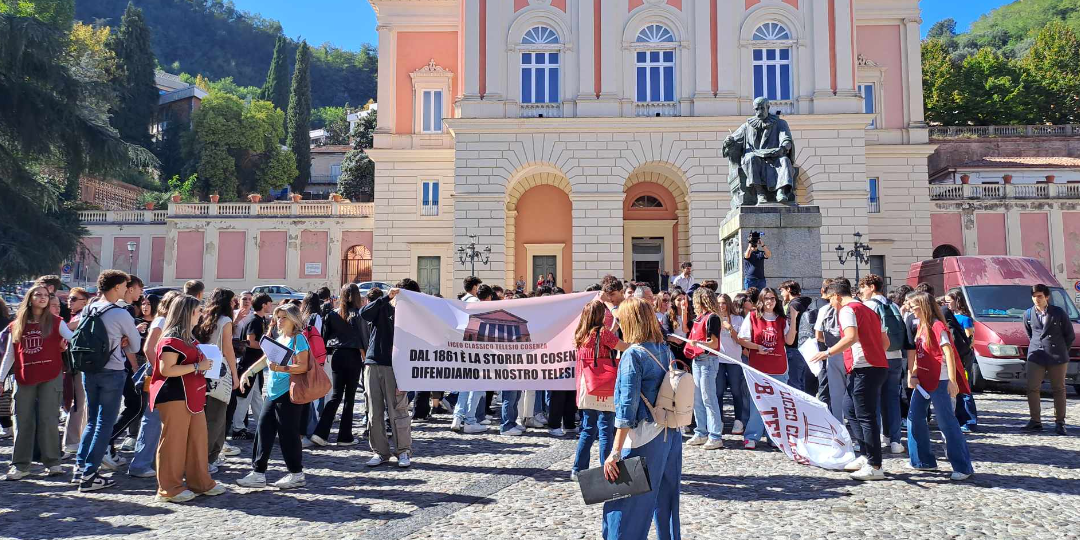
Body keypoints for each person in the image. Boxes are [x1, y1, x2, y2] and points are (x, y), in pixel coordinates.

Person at [602, 297, 682, 540]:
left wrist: (615, 452)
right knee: (666, 501)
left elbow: (627, 407)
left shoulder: (633, 355)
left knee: (627, 508)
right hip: (671, 433)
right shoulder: (664, 349)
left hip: (643, 438)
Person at [810, 278, 890, 481]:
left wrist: (827, 352)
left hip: (864, 367)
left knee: (866, 415)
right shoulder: (869, 310)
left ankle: (875, 465)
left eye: (830, 300)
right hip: (872, 366)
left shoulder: (847, 310)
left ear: (837, 296)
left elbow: (850, 337)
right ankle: (865, 455)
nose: (830, 304)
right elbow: (885, 341)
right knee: (850, 409)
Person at [149, 295, 226, 502]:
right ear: (188, 312)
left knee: (197, 440)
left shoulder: (187, 337)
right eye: (198, 310)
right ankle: (169, 488)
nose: (202, 314)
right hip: (174, 395)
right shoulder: (172, 338)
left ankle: (201, 482)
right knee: (173, 443)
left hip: (192, 395)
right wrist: (197, 367)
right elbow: (166, 369)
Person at [74, 270, 142, 492]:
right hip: (112, 370)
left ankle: (80, 467)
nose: (125, 290)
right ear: (116, 288)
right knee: (104, 423)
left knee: (92, 421)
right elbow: (135, 346)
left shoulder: (89, 308)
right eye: (123, 286)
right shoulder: (120, 313)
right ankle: (90, 475)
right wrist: (123, 340)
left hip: (89, 369)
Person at [1, 285, 77, 480]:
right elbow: (10, 354)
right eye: (38, 295)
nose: (43, 298)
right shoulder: (17, 324)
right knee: (22, 420)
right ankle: (20, 465)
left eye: (46, 295)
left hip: (50, 376)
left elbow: (73, 339)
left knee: (48, 420)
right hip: (24, 376)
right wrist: (0, 379)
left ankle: (53, 462)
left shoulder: (56, 321)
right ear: (30, 298)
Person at [236, 304, 311, 489]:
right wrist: (249, 372)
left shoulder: (298, 339)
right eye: (277, 317)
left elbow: (303, 366)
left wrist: (280, 368)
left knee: (288, 433)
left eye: (283, 317)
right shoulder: (280, 338)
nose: (279, 320)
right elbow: (266, 358)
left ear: (293, 319)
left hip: (289, 392)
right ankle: (258, 472)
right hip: (272, 391)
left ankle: (296, 473)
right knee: (263, 429)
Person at [904, 292, 975, 480]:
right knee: (915, 418)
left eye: (913, 307)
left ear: (923, 306)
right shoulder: (921, 326)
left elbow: (949, 353)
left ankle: (963, 466)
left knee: (947, 422)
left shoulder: (937, 326)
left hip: (941, 379)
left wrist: (952, 381)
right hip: (924, 380)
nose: (911, 310)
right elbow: (920, 353)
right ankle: (922, 460)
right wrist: (913, 374)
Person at [359, 280, 417, 468]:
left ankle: (403, 451)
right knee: (374, 412)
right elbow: (364, 314)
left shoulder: (414, 316)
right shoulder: (383, 307)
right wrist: (386, 298)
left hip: (397, 367)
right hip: (374, 363)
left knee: (398, 411)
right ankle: (380, 452)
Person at [571, 300, 629, 479]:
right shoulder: (602, 333)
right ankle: (607, 469)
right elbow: (623, 346)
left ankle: (578, 469)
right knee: (605, 428)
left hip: (586, 385)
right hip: (603, 385)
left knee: (588, 428)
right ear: (599, 315)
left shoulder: (581, 333)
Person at [126, 291, 180, 478]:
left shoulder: (166, 321)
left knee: (157, 419)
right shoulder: (162, 321)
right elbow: (148, 348)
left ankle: (152, 461)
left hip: (164, 376)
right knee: (152, 419)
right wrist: (161, 370)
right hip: (158, 377)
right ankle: (140, 464)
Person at [736, 287, 797, 449]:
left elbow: (789, 341)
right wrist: (757, 347)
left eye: (772, 298)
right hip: (758, 367)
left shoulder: (781, 319)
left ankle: (774, 436)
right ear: (761, 300)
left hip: (778, 366)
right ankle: (752, 435)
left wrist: (794, 319)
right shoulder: (752, 317)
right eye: (766, 298)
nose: (769, 301)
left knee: (776, 404)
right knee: (757, 403)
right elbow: (742, 340)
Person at [312, 283, 367, 446]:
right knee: (350, 397)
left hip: (336, 355)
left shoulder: (332, 314)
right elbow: (363, 340)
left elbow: (324, 336)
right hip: (353, 355)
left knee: (335, 395)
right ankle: (344, 436)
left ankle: (320, 433)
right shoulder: (359, 315)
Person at [193, 289, 241, 473]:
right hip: (219, 372)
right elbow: (228, 349)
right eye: (233, 301)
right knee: (217, 417)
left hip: (204, 369)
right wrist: (235, 375)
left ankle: (207, 456)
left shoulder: (205, 318)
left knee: (207, 415)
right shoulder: (226, 321)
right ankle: (206, 460)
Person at [857, 274, 906, 454]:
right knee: (892, 399)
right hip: (895, 356)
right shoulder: (893, 305)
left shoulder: (868, 306)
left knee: (874, 399)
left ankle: (878, 437)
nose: (861, 291)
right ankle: (895, 440)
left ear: (871, 287)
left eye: (862, 287)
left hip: (876, 357)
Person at [1023, 283, 1075, 435]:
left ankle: (1060, 422)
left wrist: (1061, 351)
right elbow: (1030, 334)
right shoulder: (1028, 314)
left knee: (1058, 389)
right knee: (1032, 388)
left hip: (1057, 356)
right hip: (1036, 355)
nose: (1036, 299)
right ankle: (1035, 421)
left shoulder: (1058, 313)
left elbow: (1069, 335)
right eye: (1034, 297)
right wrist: (1037, 345)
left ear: (1047, 297)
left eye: (1039, 296)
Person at [682, 288, 726, 450]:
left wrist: (698, 343)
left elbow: (714, 344)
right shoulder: (699, 318)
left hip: (708, 360)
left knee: (709, 398)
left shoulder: (713, 318)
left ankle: (715, 435)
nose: (694, 305)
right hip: (698, 360)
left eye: (695, 301)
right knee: (698, 399)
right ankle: (701, 432)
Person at [944, 290, 979, 433]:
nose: (946, 304)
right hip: (953, 358)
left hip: (963, 358)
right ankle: (959, 418)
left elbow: (970, 340)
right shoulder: (948, 317)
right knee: (956, 389)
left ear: (957, 300)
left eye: (949, 301)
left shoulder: (965, 319)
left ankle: (970, 421)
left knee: (965, 389)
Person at [713, 293, 748, 435]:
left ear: (728, 304)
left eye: (724, 303)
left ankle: (738, 421)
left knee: (736, 391)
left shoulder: (738, 319)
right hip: (719, 358)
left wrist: (729, 328)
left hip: (734, 360)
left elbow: (739, 340)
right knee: (718, 391)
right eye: (719, 303)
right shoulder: (714, 318)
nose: (721, 306)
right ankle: (719, 420)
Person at [812, 279, 846, 421]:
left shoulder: (824, 309)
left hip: (833, 352)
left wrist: (830, 344)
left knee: (836, 394)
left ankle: (839, 426)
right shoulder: (855, 307)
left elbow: (818, 335)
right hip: (854, 352)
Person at [779, 280, 813, 394]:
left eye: (782, 291)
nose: (781, 294)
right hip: (805, 346)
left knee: (793, 384)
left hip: (793, 347)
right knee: (801, 383)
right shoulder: (807, 303)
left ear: (788, 289)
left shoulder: (793, 305)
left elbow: (789, 327)